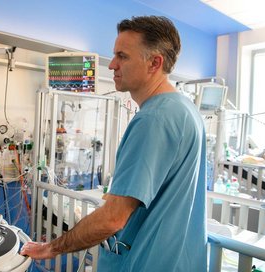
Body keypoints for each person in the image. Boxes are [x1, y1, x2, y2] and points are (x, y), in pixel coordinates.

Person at [21, 15, 207, 271]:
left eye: (123, 56)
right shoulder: (185, 109)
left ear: (155, 62)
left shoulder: (153, 120)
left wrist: (51, 247)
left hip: (147, 261)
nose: (112, 65)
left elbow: (112, 219)